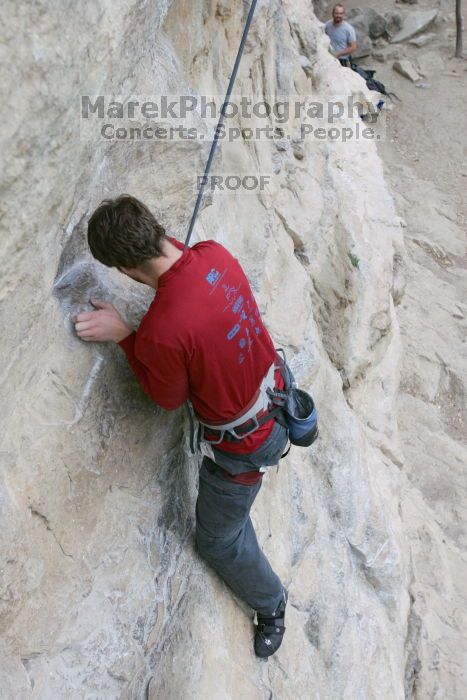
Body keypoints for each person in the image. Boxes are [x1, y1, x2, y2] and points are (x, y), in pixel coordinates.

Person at [74, 194, 289, 658]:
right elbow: (187, 288)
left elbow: (166, 399)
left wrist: (126, 336)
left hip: (245, 446)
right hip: (276, 393)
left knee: (218, 539)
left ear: (126, 270)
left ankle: (272, 605)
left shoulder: (161, 331)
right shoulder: (215, 255)